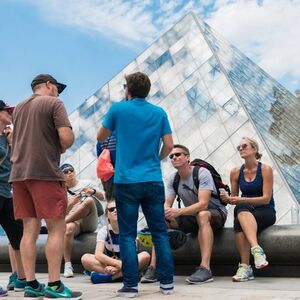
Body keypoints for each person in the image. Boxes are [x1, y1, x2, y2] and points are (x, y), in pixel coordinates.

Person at [97, 72, 174, 298]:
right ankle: (167, 284)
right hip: (152, 179)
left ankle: (130, 286)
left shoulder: (118, 109)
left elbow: (101, 136)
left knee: (128, 235)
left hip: (126, 181)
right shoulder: (159, 112)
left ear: (128, 90)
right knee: (160, 233)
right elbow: (168, 145)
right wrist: (156, 158)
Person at [9, 74, 82, 299]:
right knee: (56, 228)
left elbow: (15, 139)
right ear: (48, 85)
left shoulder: (19, 107)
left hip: (19, 175)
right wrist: (58, 146)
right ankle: (55, 285)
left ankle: (30, 284)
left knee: (29, 231)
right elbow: (66, 138)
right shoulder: (54, 103)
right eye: (57, 88)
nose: (58, 93)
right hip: (45, 173)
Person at [141, 144, 227, 285]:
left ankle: (205, 269)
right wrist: (164, 213)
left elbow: (203, 204)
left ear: (187, 157)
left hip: (215, 213)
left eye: (178, 154)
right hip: (191, 216)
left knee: (202, 214)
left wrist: (178, 211)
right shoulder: (173, 179)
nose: (174, 157)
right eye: (171, 156)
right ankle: (154, 268)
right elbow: (167, 203)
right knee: (161, 222)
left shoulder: (201, 173)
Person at [221, 137, 276, 282]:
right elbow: (234, 198)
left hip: (266, 210)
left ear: (254, 149)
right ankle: (256, 250)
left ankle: (245, 266)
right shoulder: (235, 172)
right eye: (238, 147)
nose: (241, 149)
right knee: (240, 210)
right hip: (245, 211)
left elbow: (266, 199)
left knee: (240, 213)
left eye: (244, 146)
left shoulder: (265, 169)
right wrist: (227, 198)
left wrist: (240, 200)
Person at [81, 201, 150, 283]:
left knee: (145, 256)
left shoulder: (129, 230)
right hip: (109, 263)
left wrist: (118, 266)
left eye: (118, 209)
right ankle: (123, 275)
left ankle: (110, 277)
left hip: (126, 261)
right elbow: (98, 254)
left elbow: (131, 255)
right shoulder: (104, 231)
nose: (115, 210)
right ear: (107, 215)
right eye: (111, 209)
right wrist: (117, 265)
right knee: (85, 258)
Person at [60, 163, 104, 278]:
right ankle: (68, 265)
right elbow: (61, 213)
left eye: (71, 170)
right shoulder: (61, 191)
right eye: (65, 172)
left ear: (74, 172)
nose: (69, 173)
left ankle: (62, 224)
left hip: (89, 220)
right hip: (75, 222)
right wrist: (71, 204)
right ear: (61, 176)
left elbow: (103, 197)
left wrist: (93, 191)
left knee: (89, 201)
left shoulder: (85, 183)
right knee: (68, 228)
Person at [0, 100, 26, 296]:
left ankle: (22, 279)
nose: (11, 113)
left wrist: (11, 142)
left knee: (18, 234)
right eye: (7, 110)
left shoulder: (7, 137)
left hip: (6, 192)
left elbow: (17, 163)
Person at [96, 131, 116, 201]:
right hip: (129, 178)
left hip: (110, 180)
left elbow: (101, 164)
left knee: (112, 207)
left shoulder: (102, 139)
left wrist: (104, 186)